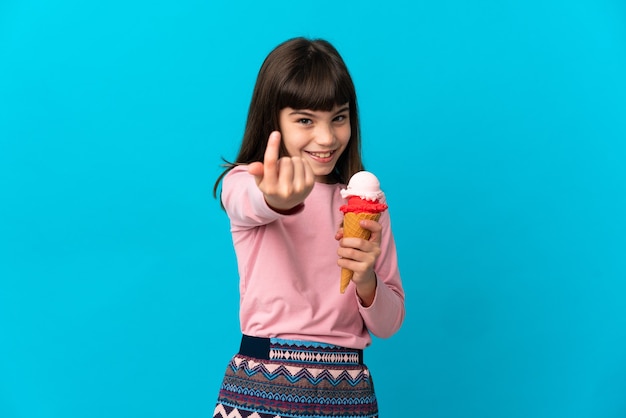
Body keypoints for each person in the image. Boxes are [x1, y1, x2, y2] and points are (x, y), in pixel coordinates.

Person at [211, 37, 405, 418]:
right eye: (305, 120)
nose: (327, 137)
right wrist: (278, 199)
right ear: (273, 121)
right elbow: (248, 202)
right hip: (263, 385)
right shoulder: (247, 182)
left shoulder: (366, 206)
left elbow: (389, 323)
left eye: (339, 117)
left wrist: (366, 278)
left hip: (349, 393)